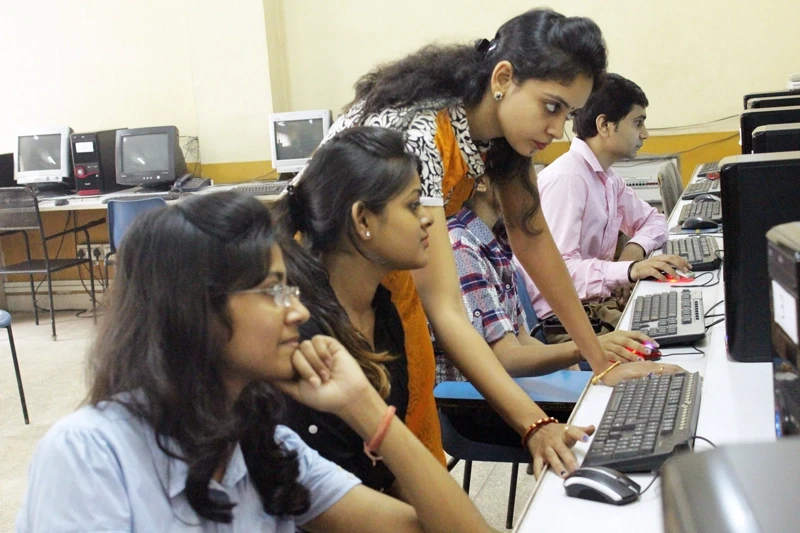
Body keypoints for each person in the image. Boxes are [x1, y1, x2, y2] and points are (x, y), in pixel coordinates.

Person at [307, 8, 676, 478]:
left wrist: (599, 359)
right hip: (328, 296)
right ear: (504, 77)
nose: (558, 128)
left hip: (386, 293)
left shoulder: (497, 136)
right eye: (551, 106)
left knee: (410, 464)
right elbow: (444, 307)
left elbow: (535, 241)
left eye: (569, 113)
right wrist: (534, 424)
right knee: (378, 462)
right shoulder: (422, 132)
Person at [16, 192, 494, 533]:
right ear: (195, 308)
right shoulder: (89, 455)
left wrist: (364, 407)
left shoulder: (262, 445)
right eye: (272, 292)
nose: (300, 311)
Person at [273, 126, 436, 494]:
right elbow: (333, 506)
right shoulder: (303, 337)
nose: (426, 218)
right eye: (412, 205)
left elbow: (389, 472)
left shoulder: (384, 311)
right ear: (362, 220)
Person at [515, 73, 691, 343]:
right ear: (605, 125)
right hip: (564, 324)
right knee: (669, 339)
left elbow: (654, 220)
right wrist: (628, 271)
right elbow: (558, 274)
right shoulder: (569, 180)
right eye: (638, 122)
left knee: (679, 318)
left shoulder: (607, 178)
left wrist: (634, 251)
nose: (644, 134)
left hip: (593, 309)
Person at [436, 176, 663, 383]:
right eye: (521, 176)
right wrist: (581, 349)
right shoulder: (461, 248)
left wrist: (566, 363)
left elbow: (521, 337)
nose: (533, 187)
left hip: (508, 381)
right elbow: (505, 357)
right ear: (483, 181)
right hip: (473, 406)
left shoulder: (497, 238)